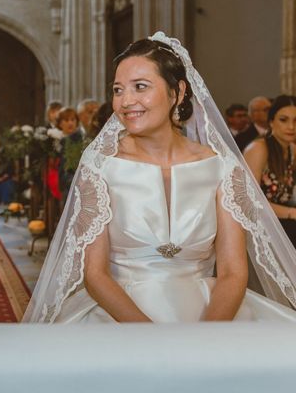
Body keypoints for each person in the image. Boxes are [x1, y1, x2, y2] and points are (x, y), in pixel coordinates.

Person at [24, 32, 296, 324]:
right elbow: (95, 274)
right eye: (118, 90)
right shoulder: (101, 166)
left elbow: (232, 271)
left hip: (212, 311)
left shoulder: (221, 168)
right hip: (120, 314)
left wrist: (207, 335)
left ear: (177, 92)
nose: (126, 101)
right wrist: (153, 339)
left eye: (140, 87)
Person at [244, 96, 296, 247]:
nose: (291, 127)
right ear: (271, 121)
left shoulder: (292, 149)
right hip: (260, 226)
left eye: (295, 120)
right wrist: (291, 213)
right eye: (284, 120)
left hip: (285, 224)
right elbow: (249, 199)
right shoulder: (258, 148)